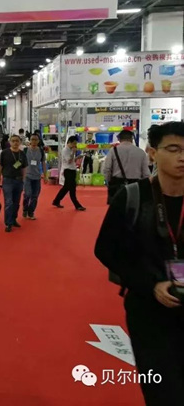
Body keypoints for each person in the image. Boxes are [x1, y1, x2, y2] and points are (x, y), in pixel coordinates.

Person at [95, 122, 184, 406]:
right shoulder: (133, 197)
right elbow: (106, 250)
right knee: (162, 392)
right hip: (147, 311)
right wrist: (150, 284)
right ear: (153, 153)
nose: (182, 157)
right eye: (174, 149)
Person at [103, 129, 151, 204]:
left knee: (117, 207)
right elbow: (146, 173)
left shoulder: (113, 151)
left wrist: (108, 182)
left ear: (119, 139)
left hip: (117, 184)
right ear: (132, 139)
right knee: (134, 207)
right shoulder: (141, 152)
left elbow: (107, 169)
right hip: (135, 185)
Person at [0, 135, 28, 232]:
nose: (15, 143)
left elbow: (24, 168)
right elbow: (0, 167)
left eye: (17, 141)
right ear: (10, 142)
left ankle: (13, 219)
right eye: (13, 141)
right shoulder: (5, 153)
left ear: (20, 142)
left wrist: (24, 180)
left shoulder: (22, 154)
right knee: (9, 202)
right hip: (7, 180)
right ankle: (8, 223)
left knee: (16, 203)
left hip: (19, 181)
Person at [52, 136, 86, 211]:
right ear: (69, 142)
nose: (75, 145)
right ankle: (77, 205)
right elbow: (69, 161)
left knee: (66, 188)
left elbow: (72, 160)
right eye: (74, 143)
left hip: (72, 170)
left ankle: (56, 201)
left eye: (76, 143)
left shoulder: (70, 150)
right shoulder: (65, 150)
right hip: (68, 171)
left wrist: (78, 157)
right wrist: (73, 152)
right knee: (72, 189)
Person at [22, 134, 48, 220]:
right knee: (27, 194)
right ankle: (25, 209)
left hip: (37, 176)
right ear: (29, 140)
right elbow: (20, 162)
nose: (34, 141)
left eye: (36, 140)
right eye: (32, 139)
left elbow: (43, 164)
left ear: (38, 141)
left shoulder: (41, 151)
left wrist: (45, 175)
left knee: (35, 196)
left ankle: (31, 212)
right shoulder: (25, 150)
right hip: (27, 176)